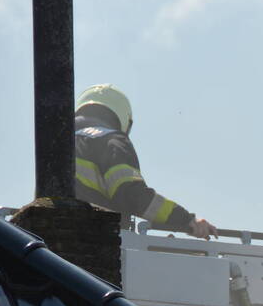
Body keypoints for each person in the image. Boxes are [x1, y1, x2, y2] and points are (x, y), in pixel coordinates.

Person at [73, 84, 216, 238]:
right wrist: (186, 220)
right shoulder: (112, 140)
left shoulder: (57, 135)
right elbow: (130, 194)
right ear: (126, 122)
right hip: (88, 237)